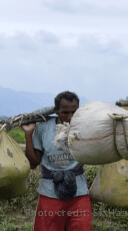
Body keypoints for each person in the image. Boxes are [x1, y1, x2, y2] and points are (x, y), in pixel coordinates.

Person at [23, 91, 91, 231]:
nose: (70, 117)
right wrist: (28, 134)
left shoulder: (85, 127)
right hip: (49, 193)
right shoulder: (43, 128)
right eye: (65, 112)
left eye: (74, 112)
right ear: (56, 111)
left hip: (79, 193)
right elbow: (33, 163)